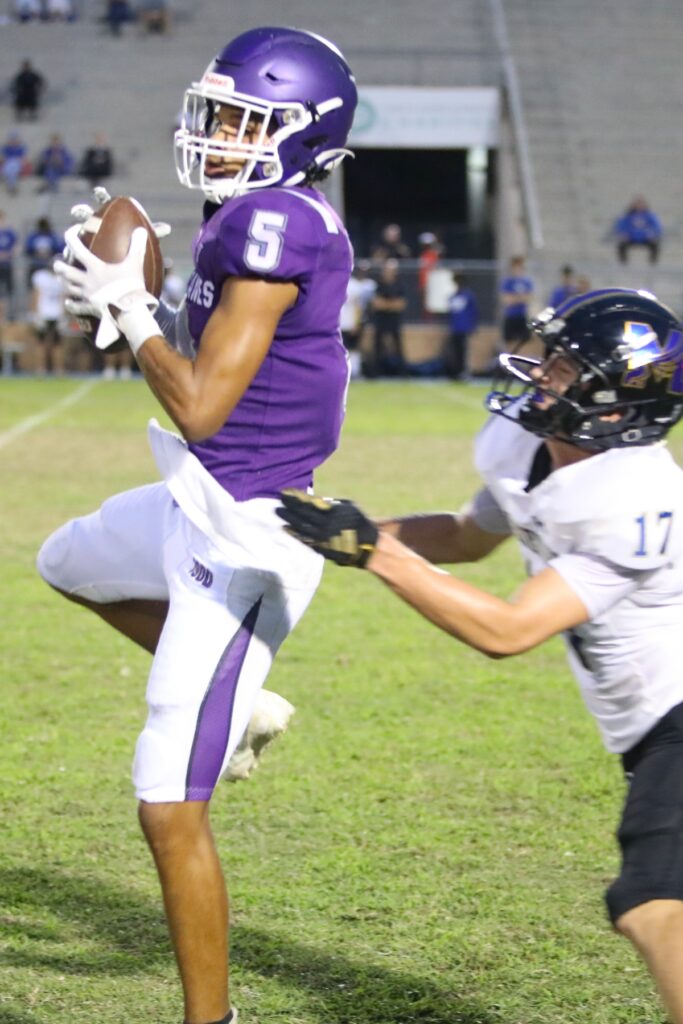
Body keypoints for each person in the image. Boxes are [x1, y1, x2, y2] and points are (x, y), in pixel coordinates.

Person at [42, 26, 358, 1024]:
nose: (218, 134)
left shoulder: (276, 227)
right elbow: (207, 358)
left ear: (303, 134)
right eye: (215, 113)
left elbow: (201, 403)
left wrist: (130, 308)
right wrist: (125, 300)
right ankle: (249, 706)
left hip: (246, 533)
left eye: (243, 120)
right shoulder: (245, 213)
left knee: (166, 803)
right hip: (197, 496)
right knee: (68, 558)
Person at [277, 288, 683, 1024]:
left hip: (674, 724)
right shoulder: (529, 450)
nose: (535, 372)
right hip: (649, 728)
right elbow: (466, 537)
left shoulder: (635, 496)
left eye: (559, 368)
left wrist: (373, 554)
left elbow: (507, 631)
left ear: (616, 405)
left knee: (651, 902)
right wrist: (331, 533)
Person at [368, 258, 407, 377]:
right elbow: (376, 304)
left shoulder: (400, 284)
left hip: (394, 320)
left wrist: (385, 304)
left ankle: (402, 373)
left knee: (398, 346)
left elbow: (401, 305)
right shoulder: (379, 284)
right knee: (377, 346)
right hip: (381, 320)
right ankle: (375, 373)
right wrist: (391, 304)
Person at [339, 263, 376, 380]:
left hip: (348, 321)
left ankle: (352, 371)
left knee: (352, 347)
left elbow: (358, 307)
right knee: (347, 348)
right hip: (343, 321)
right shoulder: (351, 285)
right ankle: (348, 371)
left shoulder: (353, 286)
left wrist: (357, 323)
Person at [30, 264, 65, 374]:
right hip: (49, 314)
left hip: (51, 314)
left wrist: (35, 313)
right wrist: (35, 313)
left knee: (53, 345)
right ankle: (43, 370)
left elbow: (63, 297)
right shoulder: (42, 277)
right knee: (47, 344)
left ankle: (53, 370)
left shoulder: (61, 278)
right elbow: (36, 295)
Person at [444, 271, 478, 380]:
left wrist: (473, 326)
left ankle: (464, 372)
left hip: (464, 328)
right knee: (455, 351)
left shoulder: (468, 295)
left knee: (464, 351)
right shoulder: (453, 296)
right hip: (455, 328)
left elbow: (474, 312)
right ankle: (455, 372)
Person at [499, 254, 535, 349]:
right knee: (509, 342)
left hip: (522, 315)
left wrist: (515, 298)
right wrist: (520, 298)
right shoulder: (507, 282)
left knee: (525, 342)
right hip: (510, 316)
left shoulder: (527, 281)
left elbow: (530, 297)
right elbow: (506, 300)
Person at [614, 196, 662, 264]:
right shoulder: (628, 216)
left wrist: (653, 233)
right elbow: (621, 226)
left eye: (641, 204)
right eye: (637, 204)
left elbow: (656, 226)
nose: (639, 206)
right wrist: (623, 234)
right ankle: (623, 263)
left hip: (645, 238)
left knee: (655, 245)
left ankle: (653, 263)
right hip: (631, 238)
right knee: (621, 245)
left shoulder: (649, 215)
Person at [24, 216, 62, 288]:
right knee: (33, 286)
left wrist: (49, 252)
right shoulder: (33, 236)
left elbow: (58, 248)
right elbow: (28, 248)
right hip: (35, 265)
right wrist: (37, 252)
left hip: (48, 265)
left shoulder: (52, 236)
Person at [0, 210, 19, 323]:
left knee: (8, 291)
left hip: (7, 265)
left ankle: (7, 316)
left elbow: (17, 246)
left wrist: (8, 254)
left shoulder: (10, 232)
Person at [0, 130, 28, 194]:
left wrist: (19, 160)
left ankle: (11, 186)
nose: (13, 141)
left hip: (17, 163)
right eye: (12, 139)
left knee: (12, 167)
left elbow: (23, 159)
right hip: (8, 163)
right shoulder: (5, 147)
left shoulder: (21, 147)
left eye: (15, 139)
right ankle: (12, 186)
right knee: (10, 168)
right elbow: (2, 158)